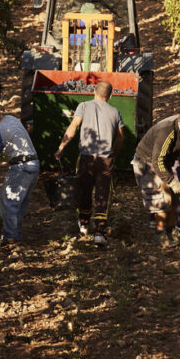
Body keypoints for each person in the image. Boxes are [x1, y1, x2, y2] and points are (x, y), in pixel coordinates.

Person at [54, 81, 124, 246]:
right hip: (105, 159)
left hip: (86, 158)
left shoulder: (83, 106)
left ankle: (84, 224)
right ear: (111, 95)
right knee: (102, 194)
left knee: (84, 190)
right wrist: (114, 153)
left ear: (94, 91)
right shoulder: (115, 112)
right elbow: (121, 137)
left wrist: (61, 147)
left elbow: (73, 127)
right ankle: (99, 232)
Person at [132, 110, 180, 247]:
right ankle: (159, 234)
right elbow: (157, 161)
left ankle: (170, 231)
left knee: (174, 197)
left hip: (163, 163)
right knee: (162, 198)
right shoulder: (167, 132)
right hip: (147, 162)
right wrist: (171, 181)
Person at [0, 103, 40, 243]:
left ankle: (10, 237)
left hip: (20, 167)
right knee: (20, 204)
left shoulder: (0, 131)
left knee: (8, 202)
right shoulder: (11, 119)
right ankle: (16, 235)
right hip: (33, 164)